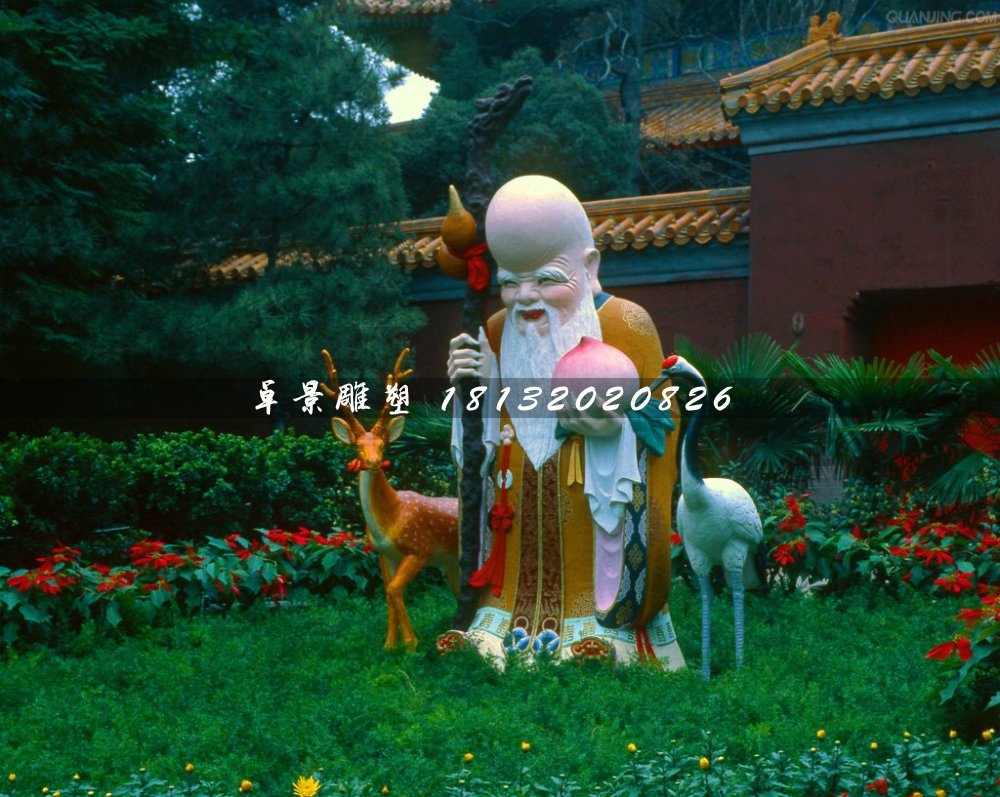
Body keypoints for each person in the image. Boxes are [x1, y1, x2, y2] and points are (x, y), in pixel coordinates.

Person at [443, 175, 685, 667]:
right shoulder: (496, 330)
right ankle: (500, 618)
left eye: (547, 279)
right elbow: (480, 438)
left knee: (593, 568)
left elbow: (661, 416)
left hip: (591, 501)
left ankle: (599, 623)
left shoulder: (626, 324)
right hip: (516, 501)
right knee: (510, 569)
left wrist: (615, 428)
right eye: (510, 283)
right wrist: (475, 387)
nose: (526, 297)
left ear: (588, 266)